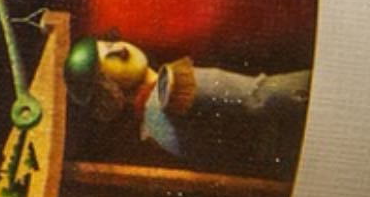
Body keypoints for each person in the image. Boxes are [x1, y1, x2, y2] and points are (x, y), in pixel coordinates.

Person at [66, 38, 309, 174]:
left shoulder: (152, 128)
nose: (120, 48)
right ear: (110, 87)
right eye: (108, 56)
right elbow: (262, 96)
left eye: (109, 42)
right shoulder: (171, 88)